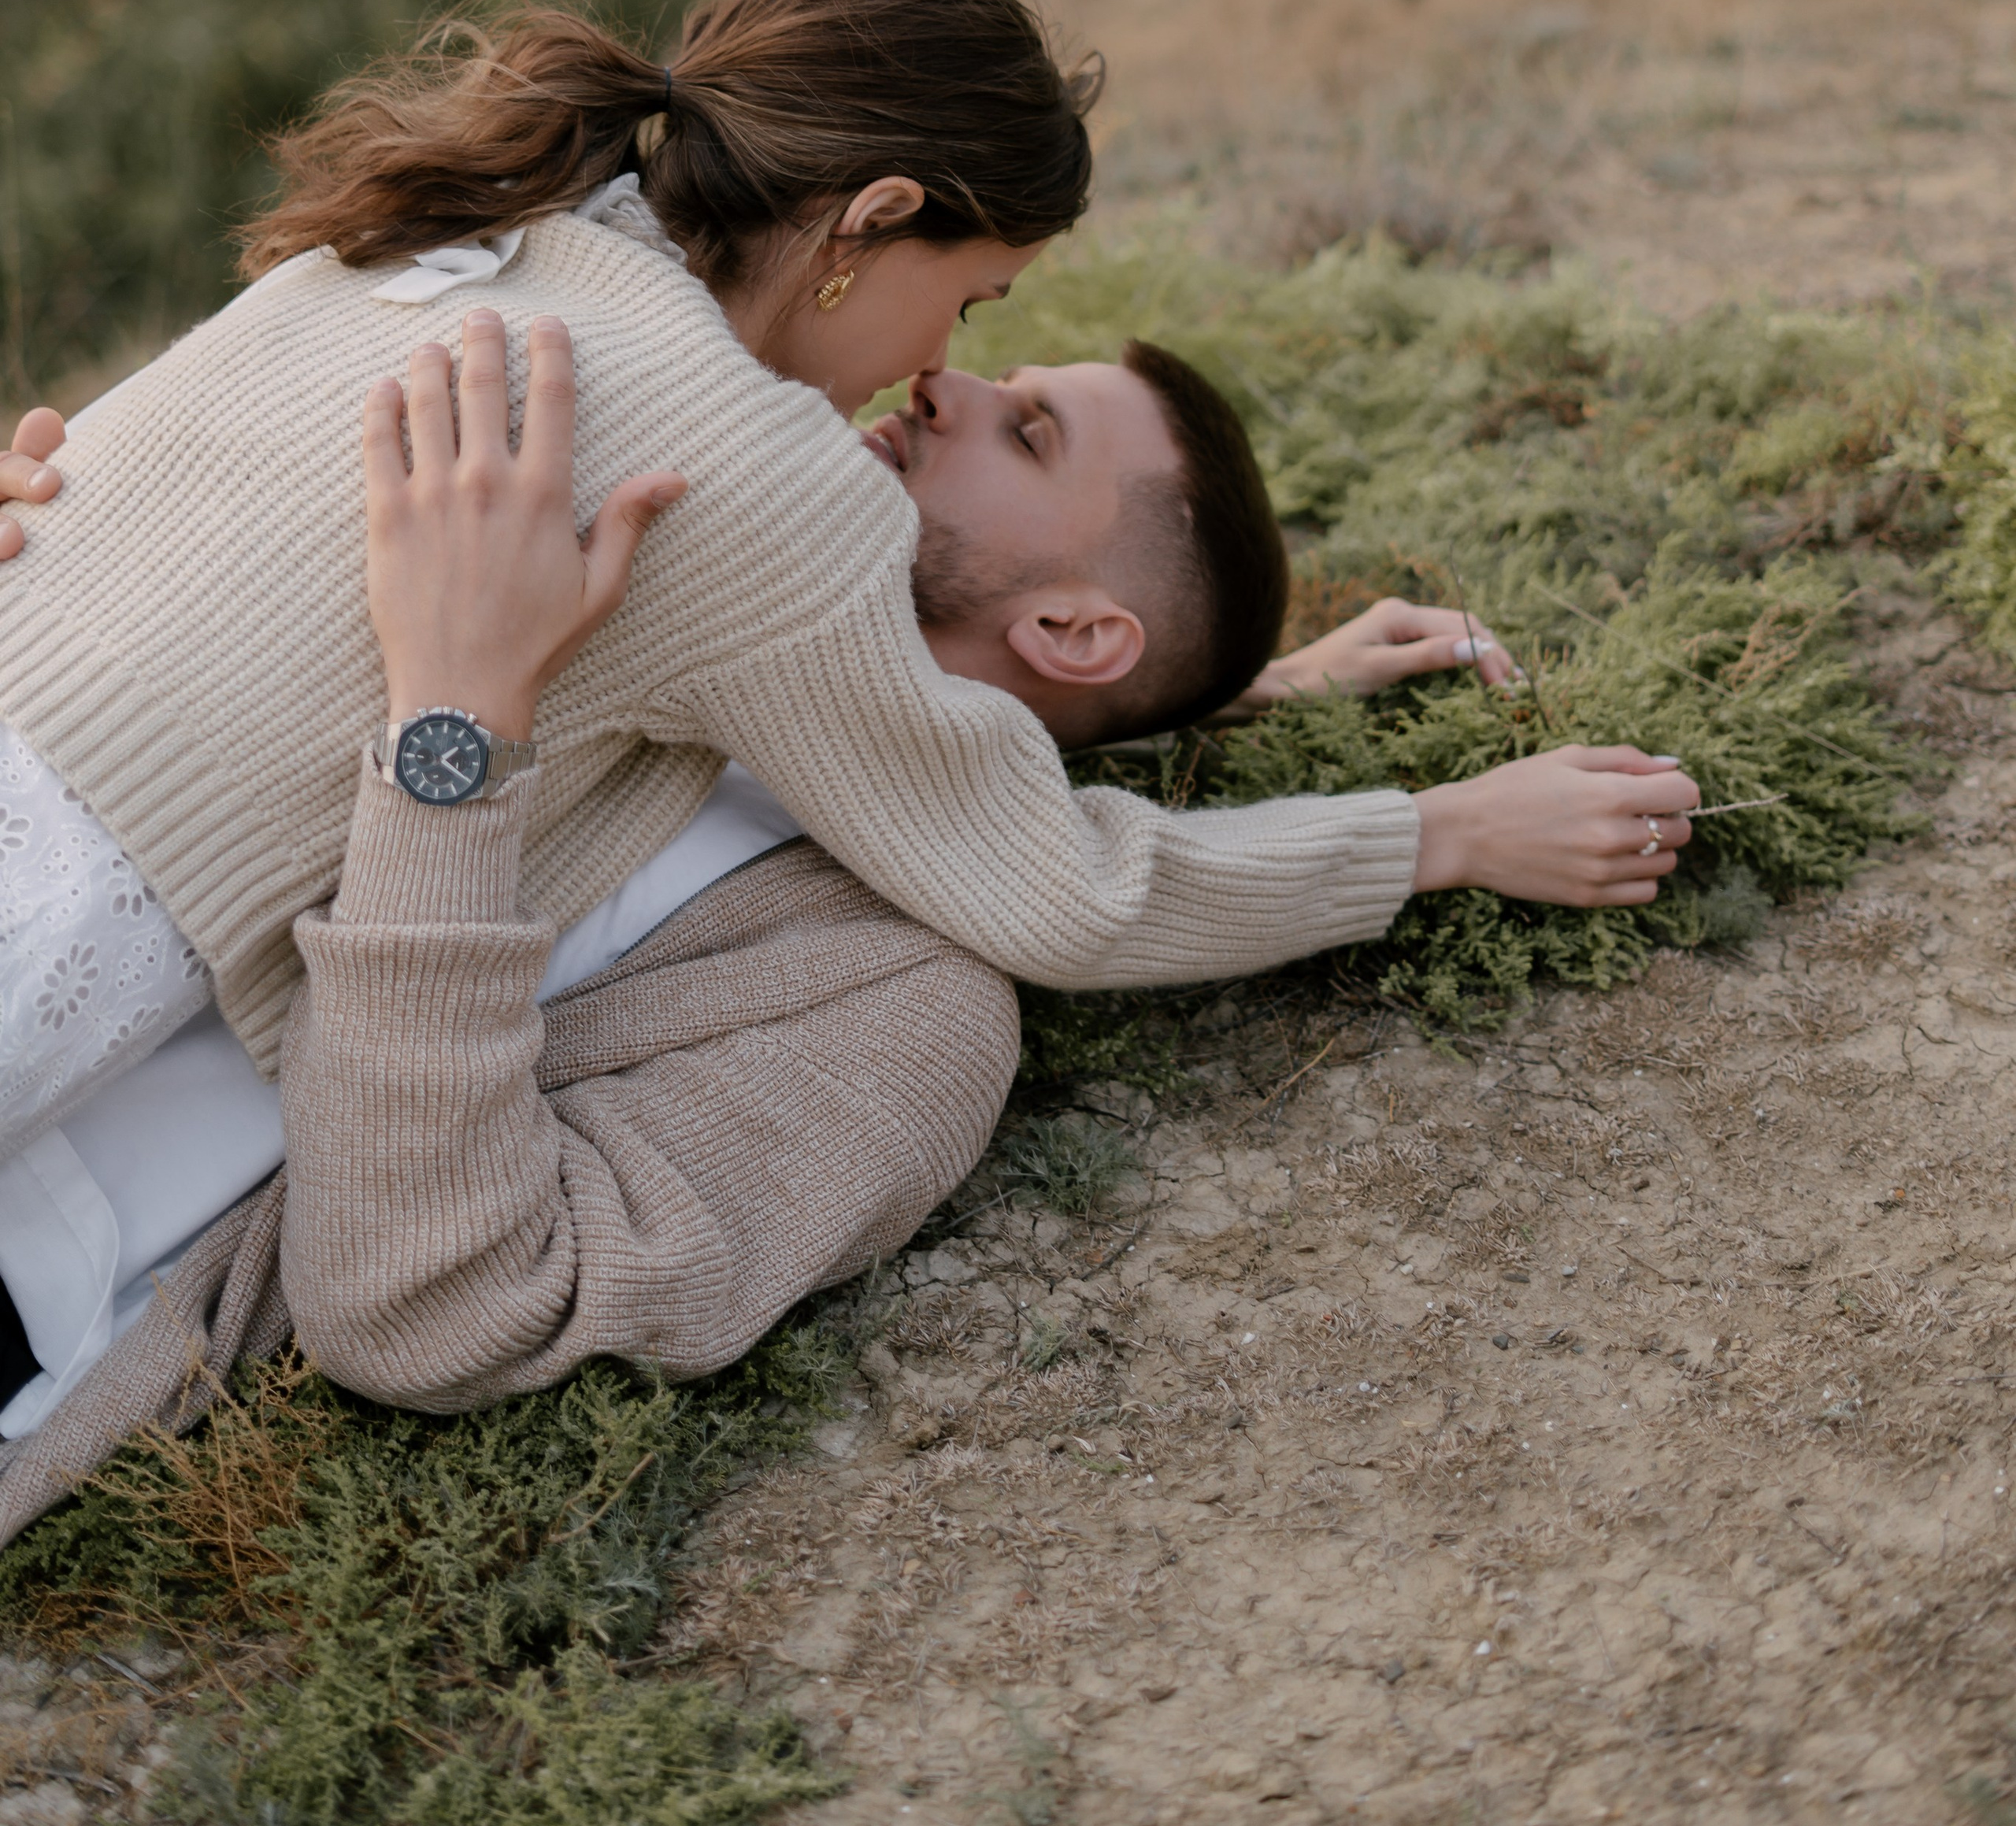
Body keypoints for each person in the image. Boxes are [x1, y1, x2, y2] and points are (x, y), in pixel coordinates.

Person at [0, 0, 1688, 1161]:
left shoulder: (472, 217)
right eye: (968, 297)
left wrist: (1252, 691)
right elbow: (1061, 889)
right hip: (53, 908)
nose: (940, 360)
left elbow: (885, 711)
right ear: (870, 221)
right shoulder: (757, 471)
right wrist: (1443, 832)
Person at [0, 322, 1696, 1546]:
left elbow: (433, 1307)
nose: (945, 379)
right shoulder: (636, 597)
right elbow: (898, 706)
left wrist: (456, 733)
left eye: (1025, 434)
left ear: (1075, 623)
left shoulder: (902, 1007)